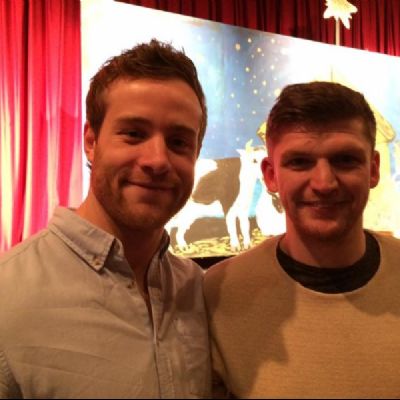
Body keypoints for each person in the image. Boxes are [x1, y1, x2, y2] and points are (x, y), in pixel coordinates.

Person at [0, 39, 211, 399]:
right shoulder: (8, 295)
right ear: (91, 141)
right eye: (134, 134)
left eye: (178, 142)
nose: (157, 160)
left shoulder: (200, 290)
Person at [203, 81, 400, 398]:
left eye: (345, 159)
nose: (324, 183)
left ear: (373, 169)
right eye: (299, 162)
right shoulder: (219, 293)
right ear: (270, 175)